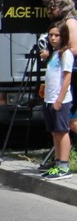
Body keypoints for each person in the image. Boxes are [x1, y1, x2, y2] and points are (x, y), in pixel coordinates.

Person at [41, 21, 73, 180]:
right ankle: (57, 163)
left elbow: (67, 78)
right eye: (51, 35)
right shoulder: (54, 54)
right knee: (54, 132)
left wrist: (59, 100)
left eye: (57, 35)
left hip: (60, 99)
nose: (53, 38)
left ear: (63, 36)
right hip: (49, 98)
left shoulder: (65, 54)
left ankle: (64, 166)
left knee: (62, 131)